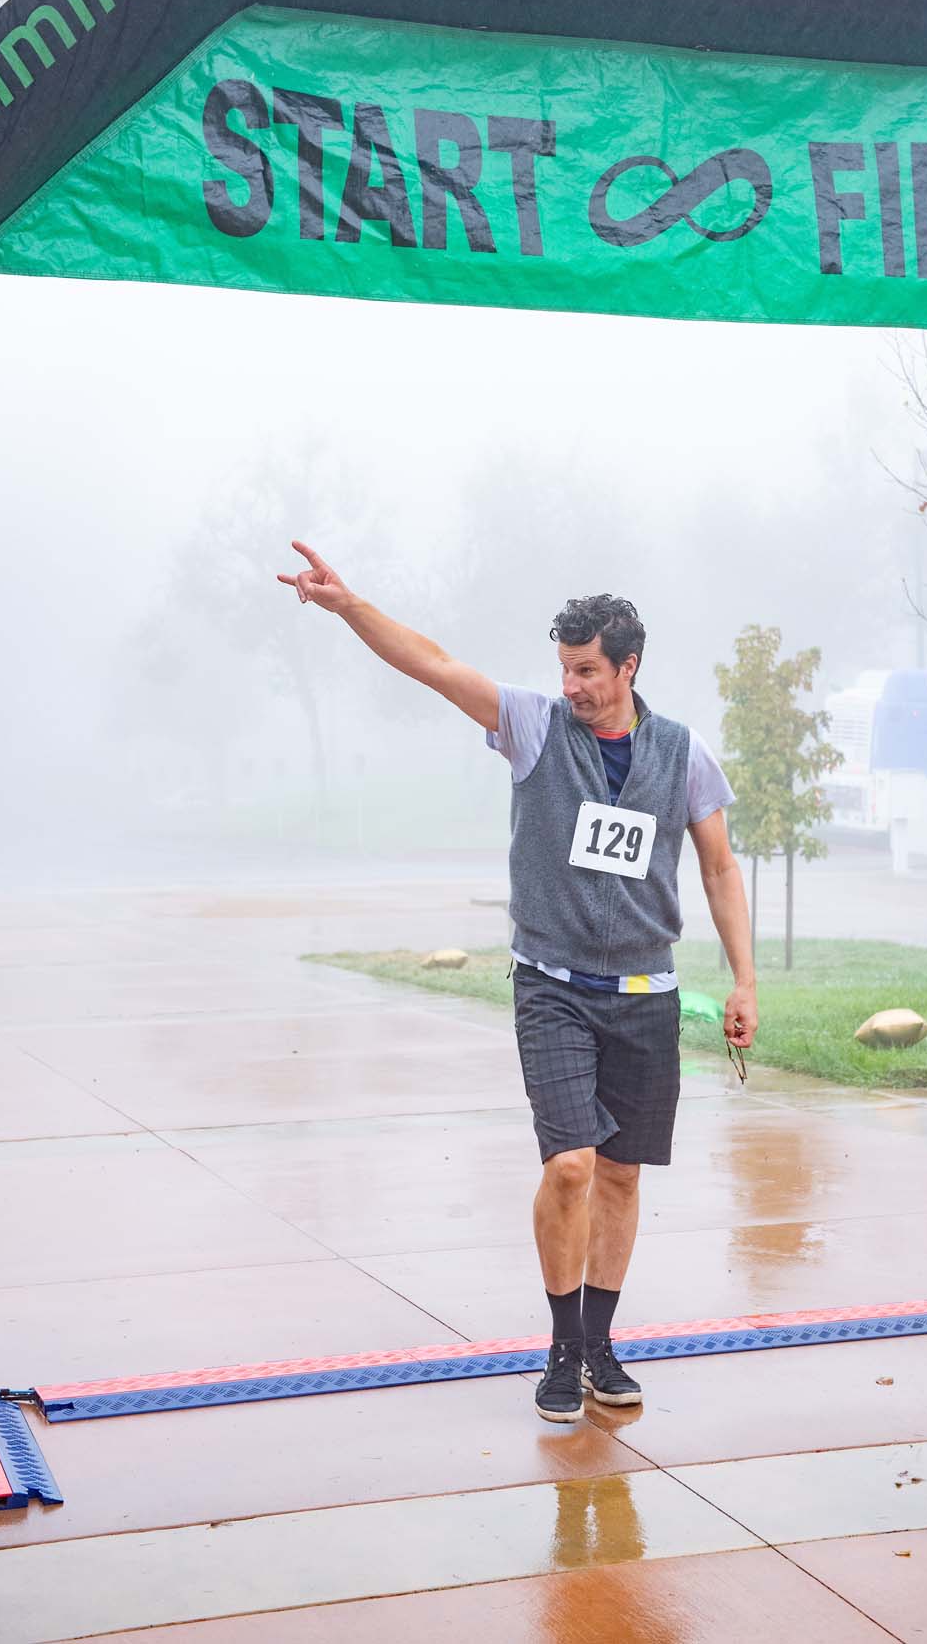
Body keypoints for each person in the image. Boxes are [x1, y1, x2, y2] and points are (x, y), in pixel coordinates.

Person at [277, 543, 758, 1423]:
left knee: (620, 1175)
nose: (570, 684)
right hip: (553, 985)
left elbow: (721, 870)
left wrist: (745, 983)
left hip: (646, 994)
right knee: (571, 1165)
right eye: (563, 668)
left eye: (585, 669)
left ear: (628, 667)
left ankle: (603, 1347)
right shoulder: (534, 726)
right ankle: (563, 1346)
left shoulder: (683, 755)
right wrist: (349, 607)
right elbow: (433, 664)